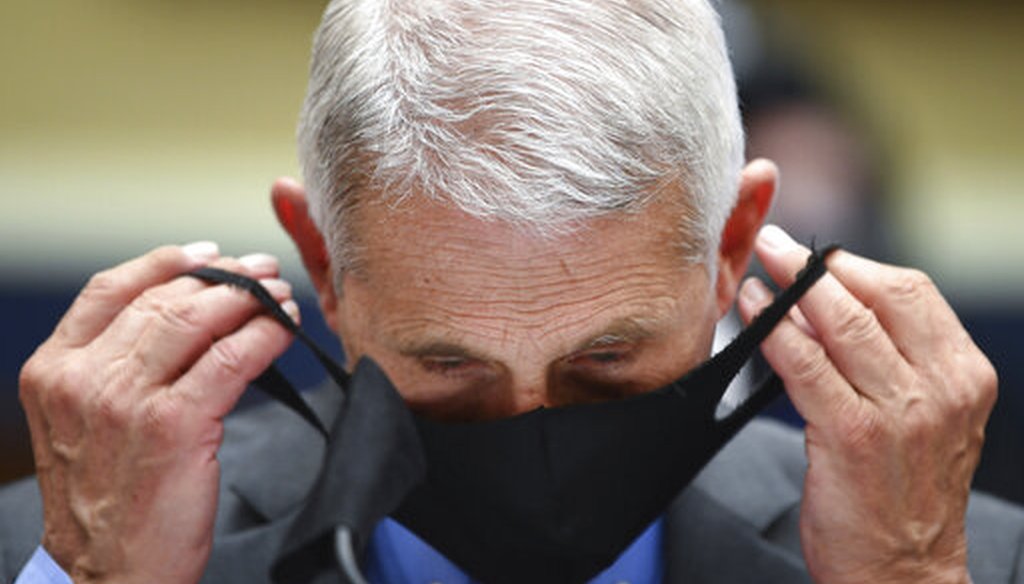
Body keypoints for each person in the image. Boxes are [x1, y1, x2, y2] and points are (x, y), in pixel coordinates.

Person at [2, 0, 1023, 582]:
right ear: (324, 263)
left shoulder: (978, 559)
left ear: (732, 246)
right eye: (448, 363)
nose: (532, 423)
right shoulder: (40, 559)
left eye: (608, 358)